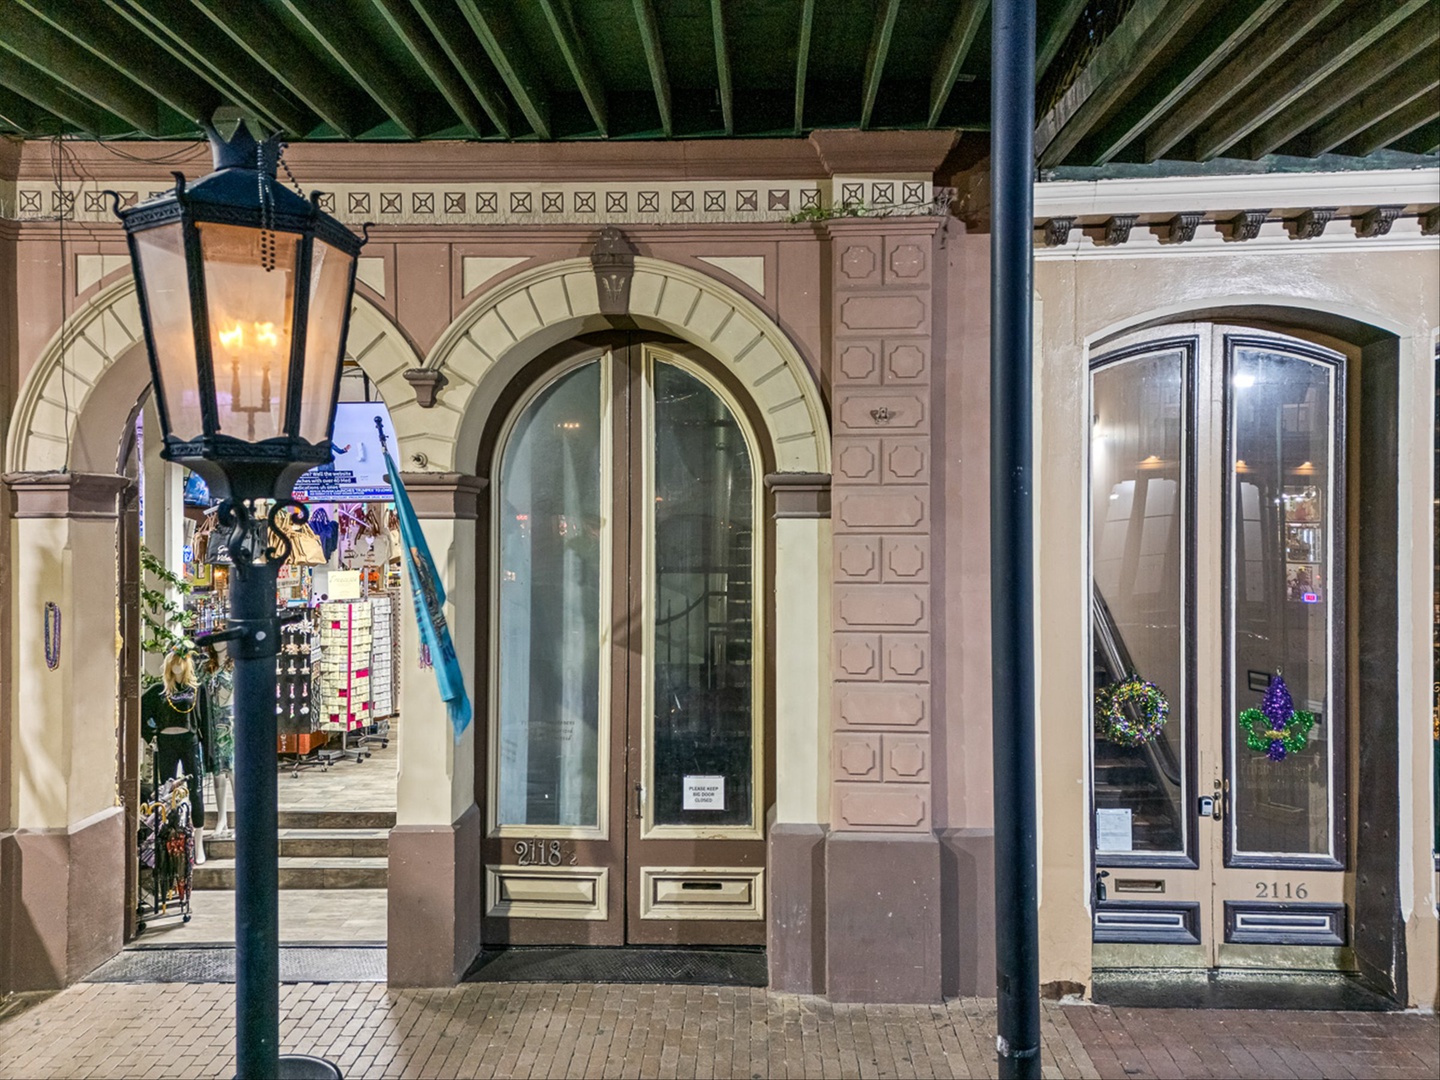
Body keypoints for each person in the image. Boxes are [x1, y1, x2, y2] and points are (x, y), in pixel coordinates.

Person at [141, 649, 212, 865]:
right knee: (166, 793)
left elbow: (206, 723)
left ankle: (198, 843)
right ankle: (167, 843)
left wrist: (209, 756)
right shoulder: (158, 691)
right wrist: (150, 736)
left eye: (181, 662)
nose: (178, 666)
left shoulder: (197, 690)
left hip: (189, 742)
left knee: (195, 791)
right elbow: (141, 713)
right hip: (166, 743)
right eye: (174, 662)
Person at [198, 643, 235, 839]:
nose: (219, 644)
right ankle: (222, 819)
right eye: (215, 640)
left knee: (234, 770)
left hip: (232, 722)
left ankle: (239, 819)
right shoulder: (206, 667)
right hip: (212, 722)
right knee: (218, 771)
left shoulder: (236, 666)